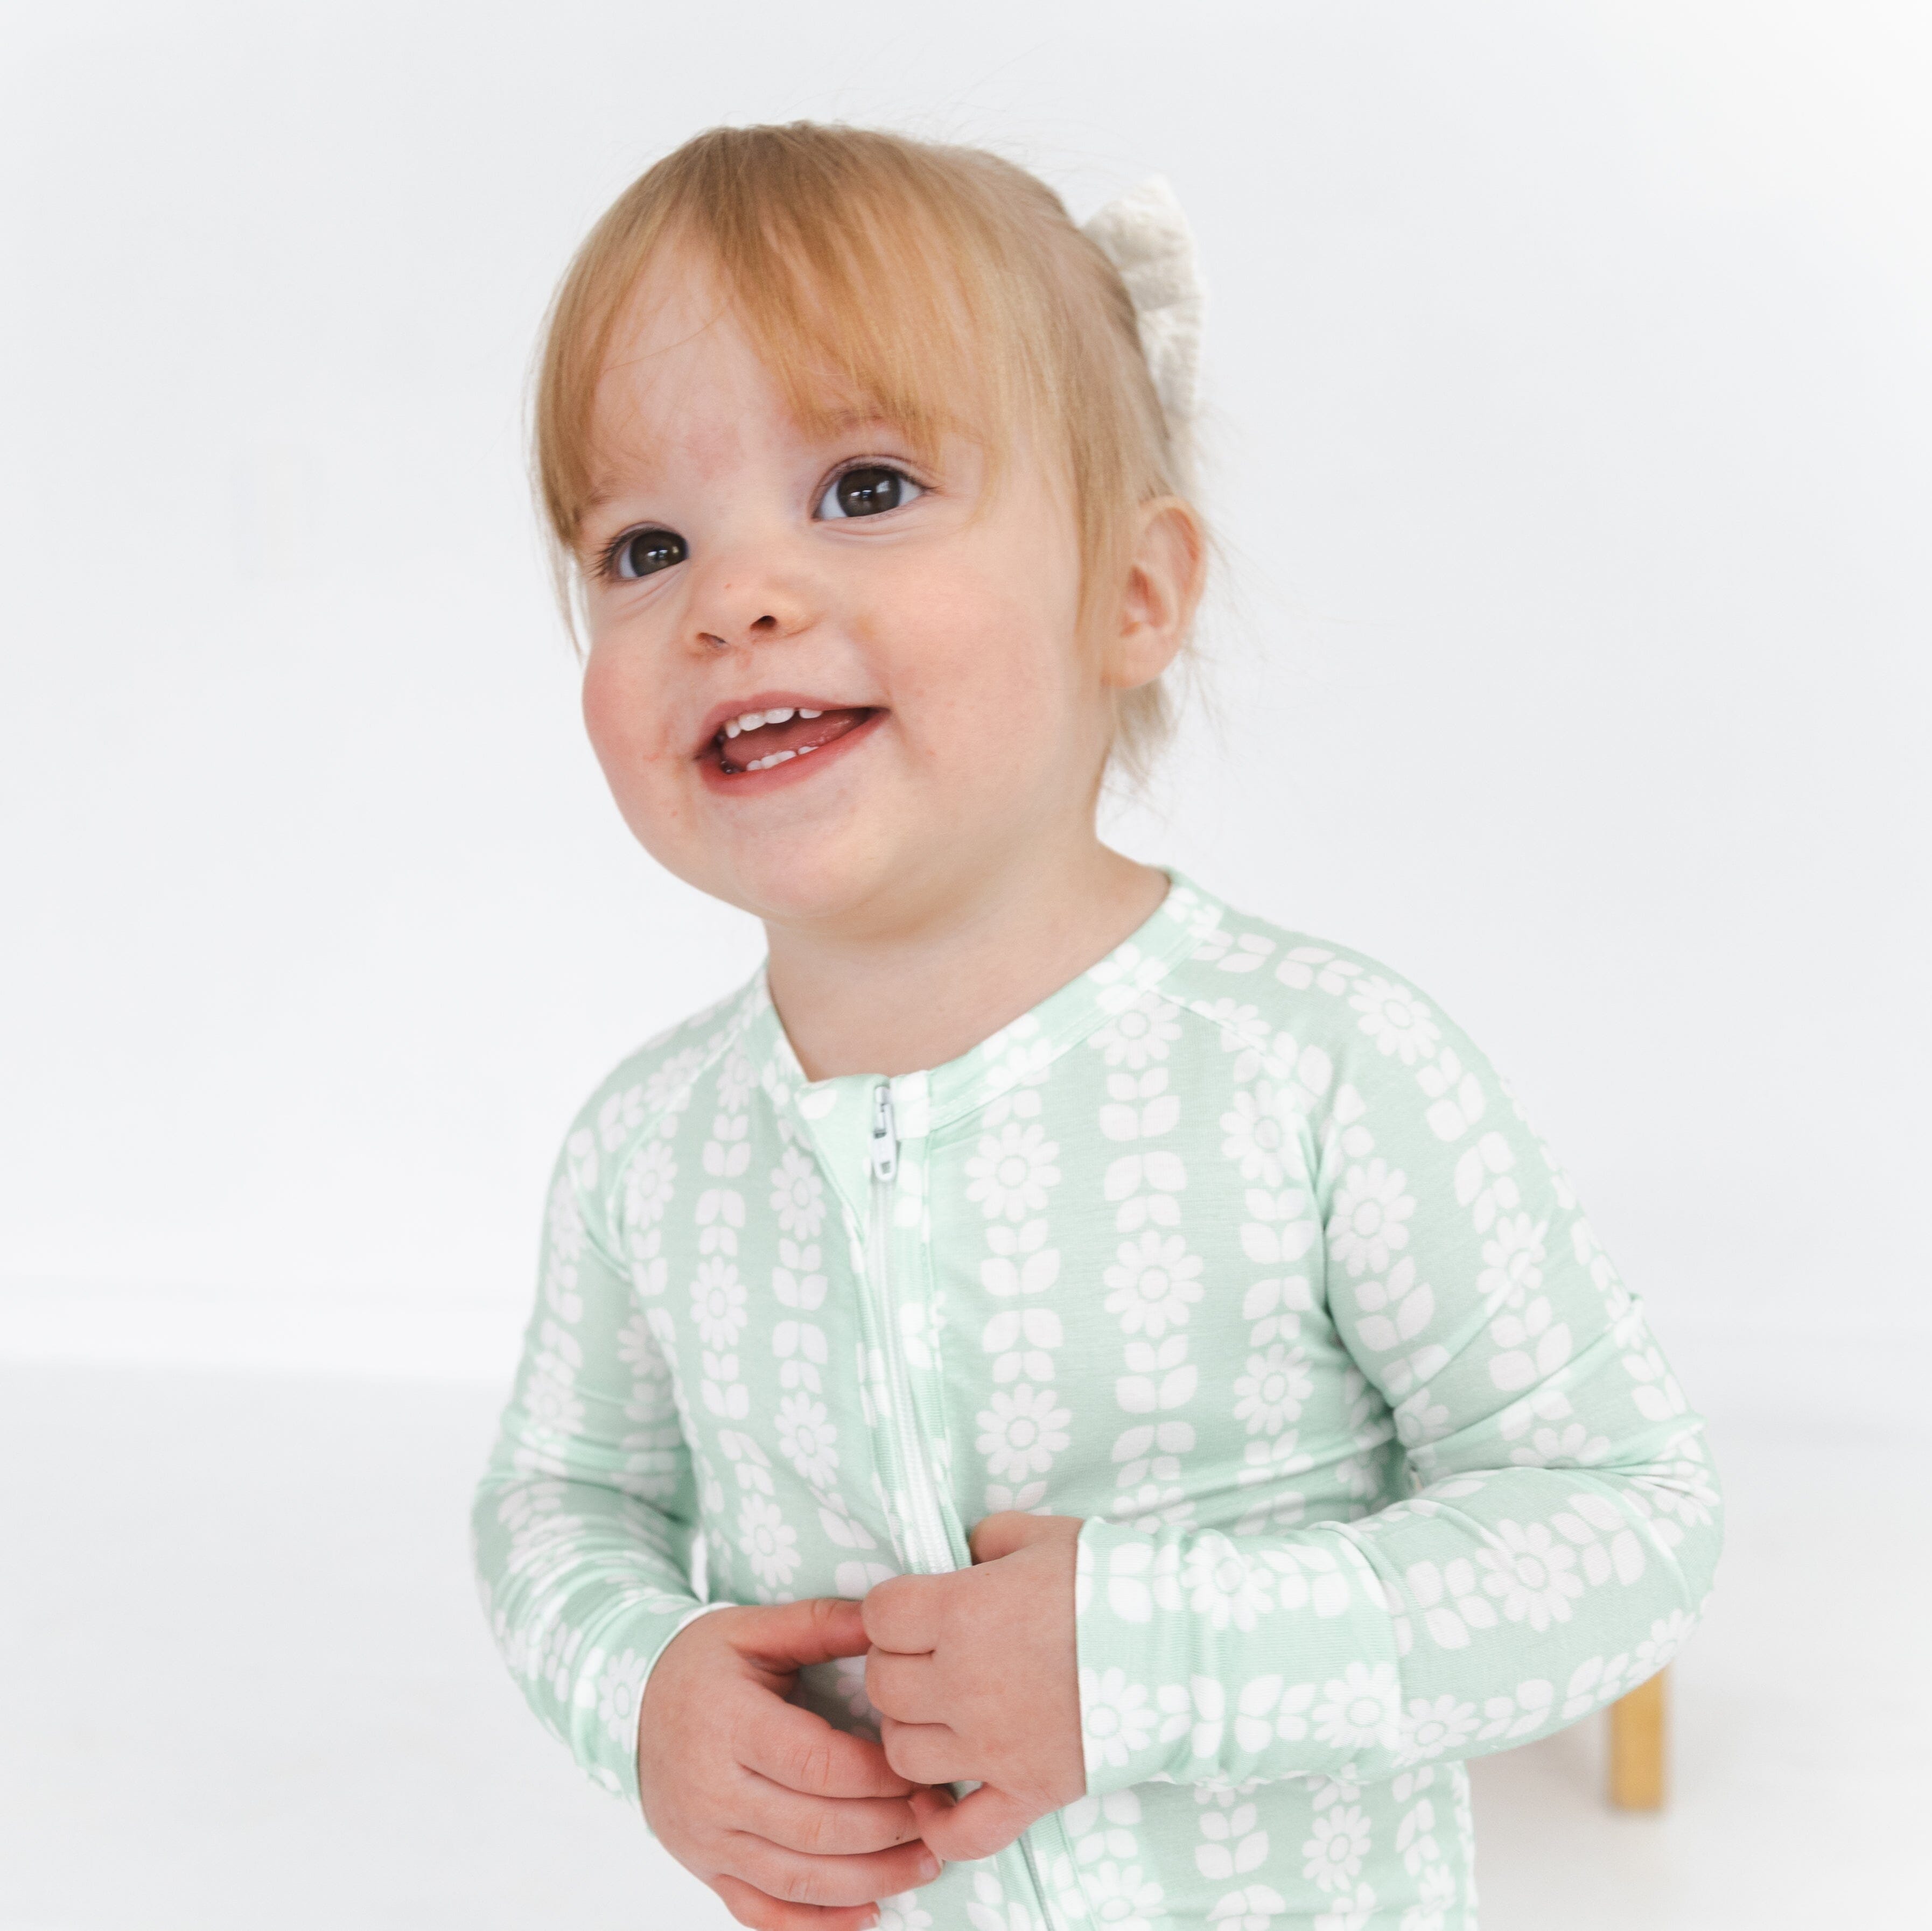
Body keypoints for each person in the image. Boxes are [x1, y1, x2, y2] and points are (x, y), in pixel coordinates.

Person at [471, 122, 1722, 1931]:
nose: (733, 598)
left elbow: (1624, 1513)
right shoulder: (648, 1151)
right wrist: (639, 1686)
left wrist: (1162, 1657)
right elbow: (561, 1496)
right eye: (643, 543)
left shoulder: (1319, 1069)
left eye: (865, 486)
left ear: (1131, 593)